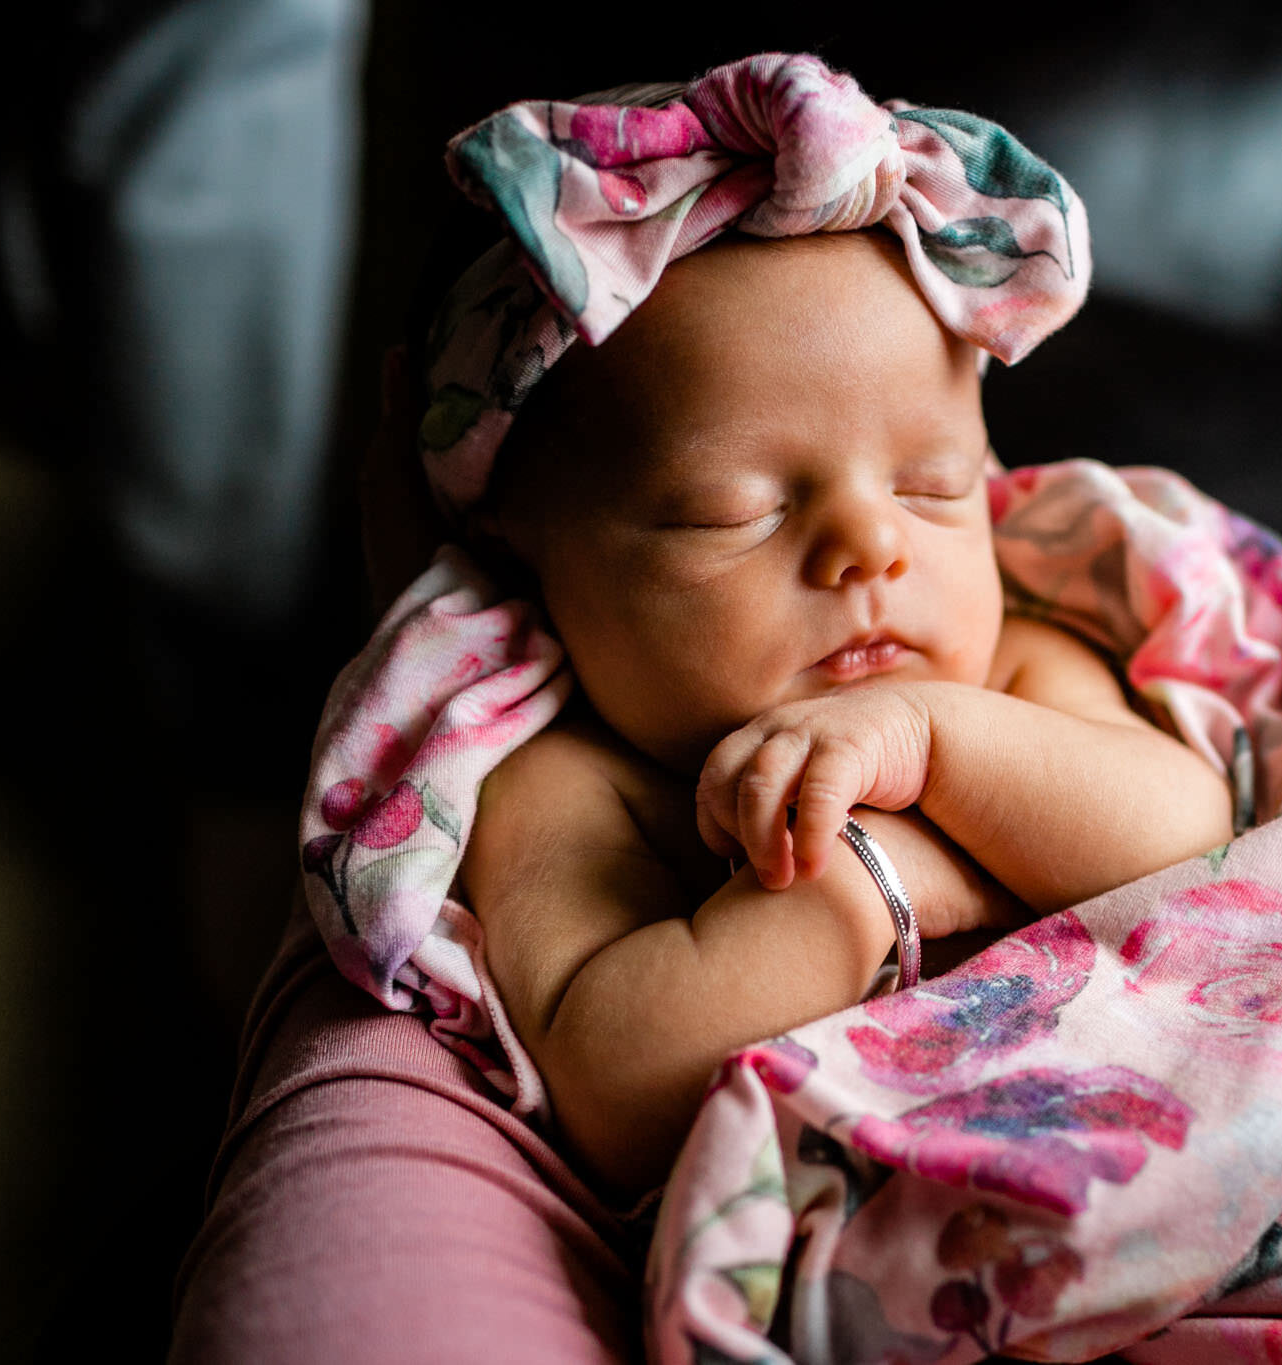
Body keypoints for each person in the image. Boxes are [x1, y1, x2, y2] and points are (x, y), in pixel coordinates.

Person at [458, 225, 1233, 1199]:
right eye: (732, 509)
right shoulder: (566, 780)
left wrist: (933, 741)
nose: (871, 542)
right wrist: (873, 880)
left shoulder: (1010, 673)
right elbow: (616, 1091)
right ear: (529, 548)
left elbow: (1191, 846)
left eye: (931, 485)